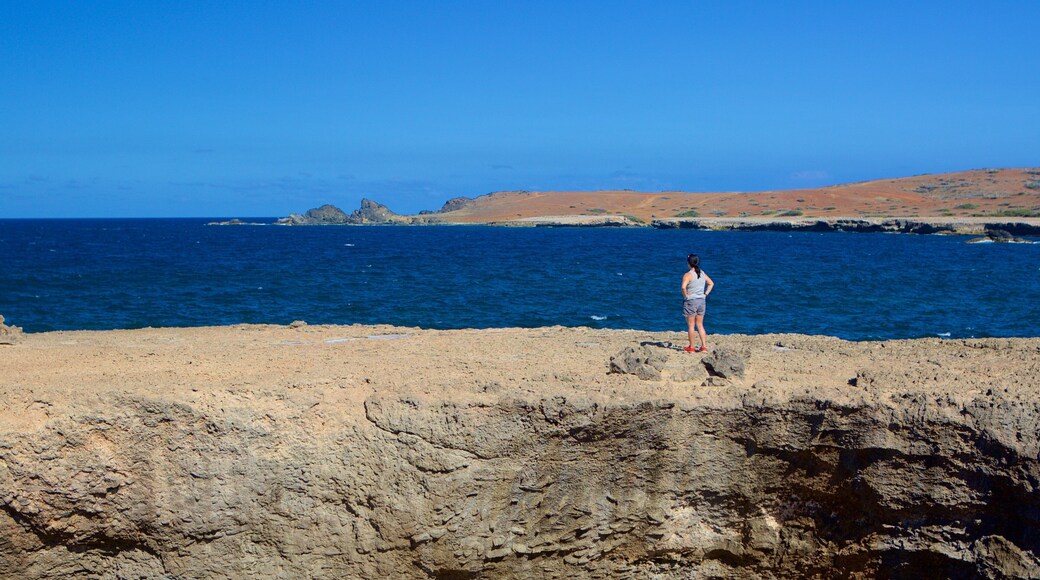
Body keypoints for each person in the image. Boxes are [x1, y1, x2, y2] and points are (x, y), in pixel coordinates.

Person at [681, 254, 714, 353]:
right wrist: (705, 294)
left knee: (691, 325)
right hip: (701, 300)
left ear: (689, 263)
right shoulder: (702, 273)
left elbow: (683, 287)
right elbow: (711, 283)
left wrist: (686, 296)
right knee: (700, 324)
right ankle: (704, 346)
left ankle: (692, 347)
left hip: (691, 301)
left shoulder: (688, 275)